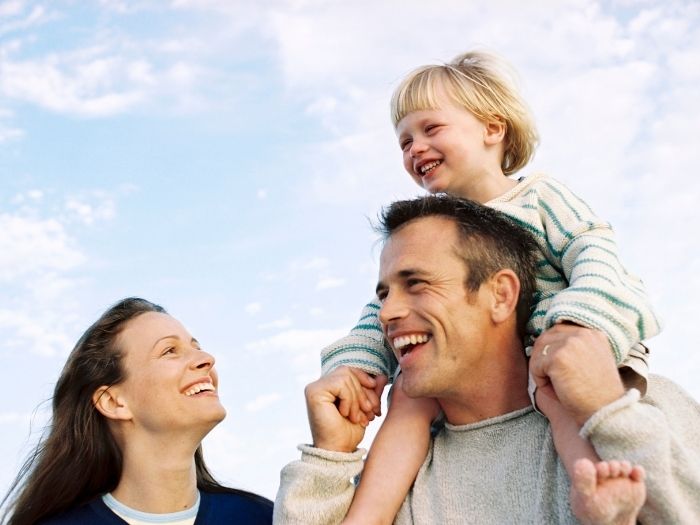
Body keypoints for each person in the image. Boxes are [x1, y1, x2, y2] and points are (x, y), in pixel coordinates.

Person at [318, 51, 662, 524]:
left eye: (430, 129)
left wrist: (579, 320)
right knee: (408, 399)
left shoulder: (540, 197)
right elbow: (381, 313)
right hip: (472, 368)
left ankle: (593, 483)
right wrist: (354, 366)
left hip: (555, 346)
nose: (415, 148)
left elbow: (593, 251)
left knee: (560, 386)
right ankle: (366, 518)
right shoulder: (430, 234)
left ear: (492, 129)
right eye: (404, 142)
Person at [274, 195, 700, 524]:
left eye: (417, 283)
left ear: (501, 295)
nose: (386, 313)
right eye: (383, 294)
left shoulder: (638, 412)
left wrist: (610, 415)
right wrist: (328, 456)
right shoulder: (397, 465)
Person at [1, 297, 273, 525]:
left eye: (197, 347)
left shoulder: (263, 517)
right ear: (113, 402)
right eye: (170, 351)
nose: (206, 359)